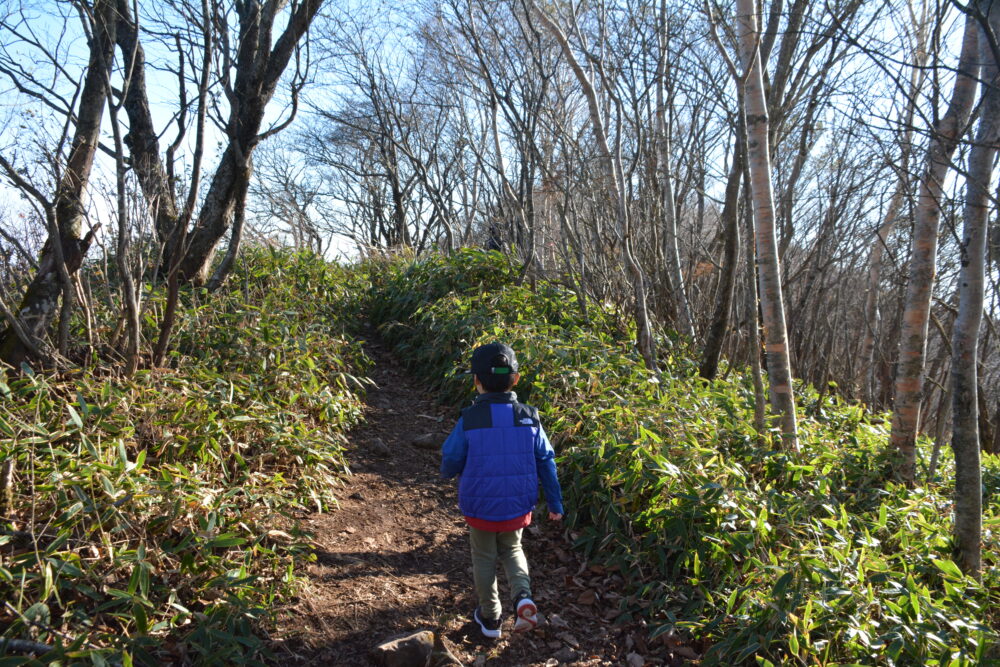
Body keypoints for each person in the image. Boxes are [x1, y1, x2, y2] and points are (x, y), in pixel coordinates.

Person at [440, 342, 564, 639]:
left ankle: (491, 618)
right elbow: (546, 459)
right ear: (517, 379)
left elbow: (452, 456)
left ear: (476, 381)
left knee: (483, 556)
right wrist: (555, 502)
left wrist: (448, 473)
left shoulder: (471, 418)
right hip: (518, 505)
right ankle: (523, 598)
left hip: (480, 506)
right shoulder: (529, 417)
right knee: (513, 548)